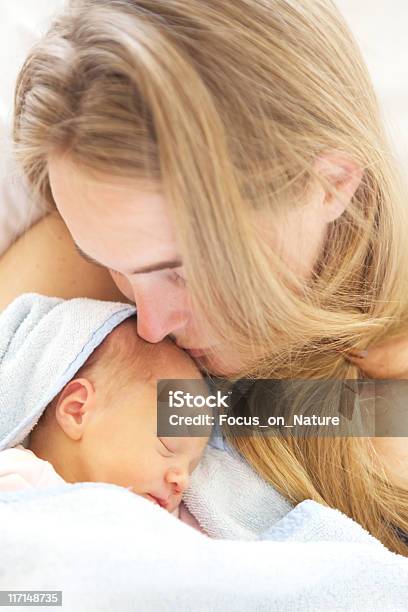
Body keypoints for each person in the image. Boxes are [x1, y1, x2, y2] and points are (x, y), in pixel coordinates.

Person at [3, 0, 408, 554]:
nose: (149, 324)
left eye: (178, 270)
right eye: (113, 267)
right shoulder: (80, 268)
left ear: (331, 185)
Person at [0, 298, 209, 523]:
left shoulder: (166, 523)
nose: (183, 481)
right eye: (168, 446)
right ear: (77, 410)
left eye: (191, 467)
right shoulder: (18, 481)